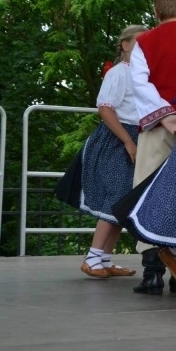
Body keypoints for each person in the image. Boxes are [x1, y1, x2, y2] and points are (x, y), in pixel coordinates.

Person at [56, 25, 147, 278]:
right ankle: (93, 257)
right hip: (117, 139)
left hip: (135, 137)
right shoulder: (119, 73)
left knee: (124, 200)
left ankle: (103, 258)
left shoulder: (143, 74)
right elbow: (105, 109)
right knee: (117, 196)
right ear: (125, 45)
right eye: (139, 43)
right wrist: (128, 141)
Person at [128, 0, 176, 296]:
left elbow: (139, 84)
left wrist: (164, 115)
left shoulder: (144, 43)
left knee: (147, 193)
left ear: (155, 11)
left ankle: (152, 272)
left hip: (156, 129)